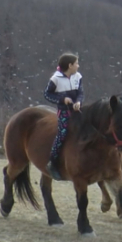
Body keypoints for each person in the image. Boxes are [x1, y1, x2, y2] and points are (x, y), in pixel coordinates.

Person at [43, 52, 83, 180]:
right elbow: (47, 94)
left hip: (77, 110)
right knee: (63, 132)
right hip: (64, 111)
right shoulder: (55, 79)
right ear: (70, 65)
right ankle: (53, 162)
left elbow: (81, 93)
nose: (78, 65)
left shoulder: (78, 76)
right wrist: (62, 99)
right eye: (76, 63)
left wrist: (78, 102)